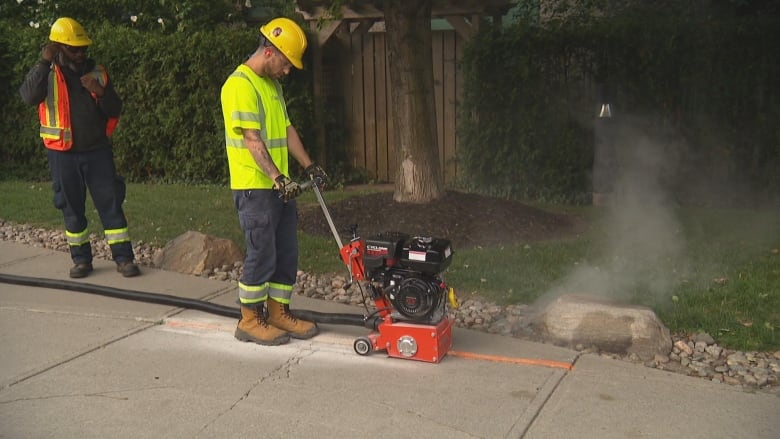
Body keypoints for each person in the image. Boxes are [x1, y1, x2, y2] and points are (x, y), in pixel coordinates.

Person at [220, 17, 328, 346]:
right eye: (286, 62)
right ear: (270, 51)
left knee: (286, 252)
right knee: (262, 253)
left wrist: (308, 166)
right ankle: (250, 319)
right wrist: (276, 177)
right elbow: (252, 139)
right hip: (256, 188)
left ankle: (279, 311)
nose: (287, 71)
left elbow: (286, 130)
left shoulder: (271, 86)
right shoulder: (240, 85)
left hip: (279, 188)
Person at [19, 17, 140, 279]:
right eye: (74, 48)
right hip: (62, 154)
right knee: (71, 207)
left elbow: (115, 109)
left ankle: (124, 258)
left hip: (97, 151)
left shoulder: (97, 72)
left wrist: (100, 91)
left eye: (83, 47)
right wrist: (43, 61)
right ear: (57, 47)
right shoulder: (46, 73)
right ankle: (82, 260)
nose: (80, 52)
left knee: (111, 204)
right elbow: (28, 96)